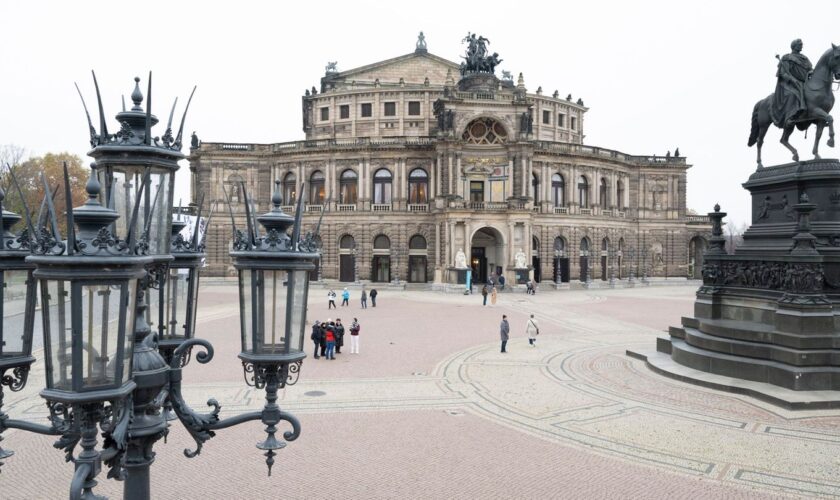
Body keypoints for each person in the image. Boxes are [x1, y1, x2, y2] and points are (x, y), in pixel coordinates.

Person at [771, 38, 814, 128]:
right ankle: (791, 116)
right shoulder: (787, 58)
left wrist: (812, 72)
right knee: (794, 94)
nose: (802, 45)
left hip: (805, 82)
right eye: (800, 44)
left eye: (802, 44)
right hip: (790, 83)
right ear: (794, 46)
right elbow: (782, 73)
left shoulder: (804, 58)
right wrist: (792, 79)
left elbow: (810, 69)